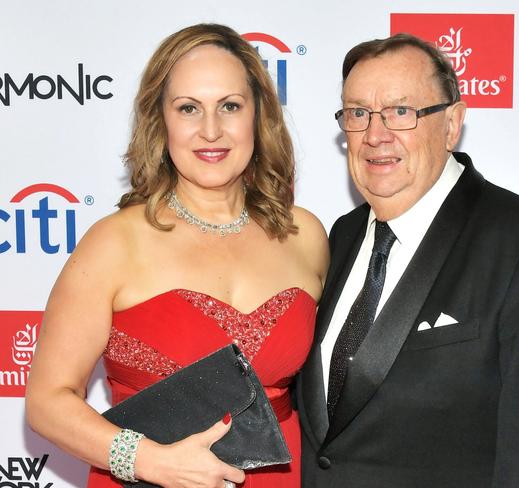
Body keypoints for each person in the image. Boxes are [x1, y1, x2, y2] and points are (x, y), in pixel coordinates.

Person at [25, 23, 328, 488]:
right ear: (160, 120)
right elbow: (47, 401)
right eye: (189, 108)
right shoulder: (115, 242)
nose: (211, 130)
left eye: (230, 106)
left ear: (258, 115)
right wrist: (150, 461)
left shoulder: (304, 234)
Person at [297, 33, 519, 488]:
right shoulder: (340, 237)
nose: (375, 135)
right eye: (358, 113)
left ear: (452, 123)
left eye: (401, 112)